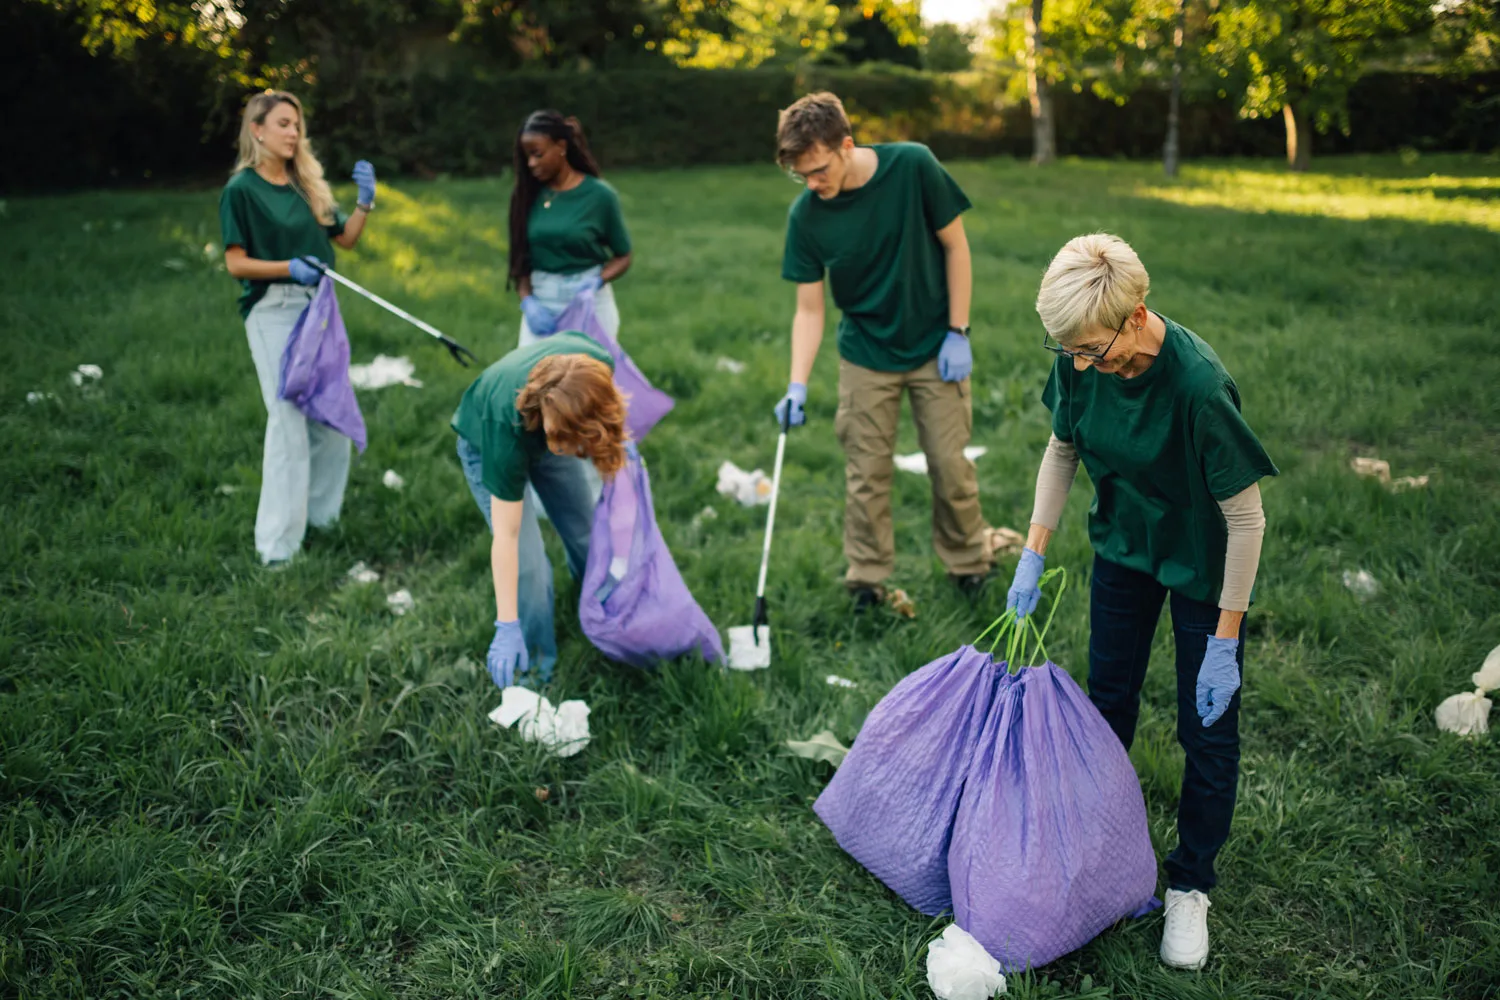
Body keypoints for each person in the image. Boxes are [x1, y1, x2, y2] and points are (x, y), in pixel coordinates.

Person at [1006, 233, 1278, 971]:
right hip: (1124, 548)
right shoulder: (1080, 360)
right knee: (1108, 704)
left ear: (1135, 316)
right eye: (1071, 354)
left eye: (1093, 349)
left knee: (1207, 729)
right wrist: (1034, 551)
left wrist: (1226, 638)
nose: (1084, 365)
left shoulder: (1197, 387)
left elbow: (1247, 519)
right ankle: (1099, 852)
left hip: (1200, 563)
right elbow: (1063, 449)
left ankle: (1190, 884)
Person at [771, 92, 996, 609]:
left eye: (819, 169)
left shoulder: (913, 165)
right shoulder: (806, 216)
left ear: (846, 145)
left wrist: (958, 331)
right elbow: (809, 310)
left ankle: (968, 563)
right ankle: (867, 579)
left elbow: (956, 246)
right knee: (866, 475)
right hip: (865, 355)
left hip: (935, 346)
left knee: (950, 464)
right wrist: (797, 384)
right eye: (800, 175)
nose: (812, 183)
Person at [220, 90, 377, 566]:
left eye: (297, 125)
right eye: (284, 124)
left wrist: (365, 204)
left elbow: (344, 240)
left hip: (319, 307)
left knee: (330, 416)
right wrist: (288, 267)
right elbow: (235, 263)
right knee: (288, 421)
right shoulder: (241, 191)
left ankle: (321, 521)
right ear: (257, 130)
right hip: (272, 310)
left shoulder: (305, 183)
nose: (294, 133)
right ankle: (277, 549)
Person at [451, 333, 629, 688]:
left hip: (553, 422)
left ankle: (596, 605)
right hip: (491, 440)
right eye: (558, 438)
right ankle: (533, 666)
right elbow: (507, 537)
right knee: (531, 566)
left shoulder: (596, 366)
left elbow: (589, 427)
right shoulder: (505, 427)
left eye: (574, 440)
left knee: (584, 530)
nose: (564, 449)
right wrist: (506, 624)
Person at [508, 110, 632, 348]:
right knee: (534, 383)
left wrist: (596, 281)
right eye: (527, 157)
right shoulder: (526, 197)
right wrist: (528, 302)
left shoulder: (599, 196)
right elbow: (520, 263)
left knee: (587, 383)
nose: (531, 163)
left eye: (537, 154)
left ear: (561, 146)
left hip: (588, 304)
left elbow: (623, 256)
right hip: (542, 300)